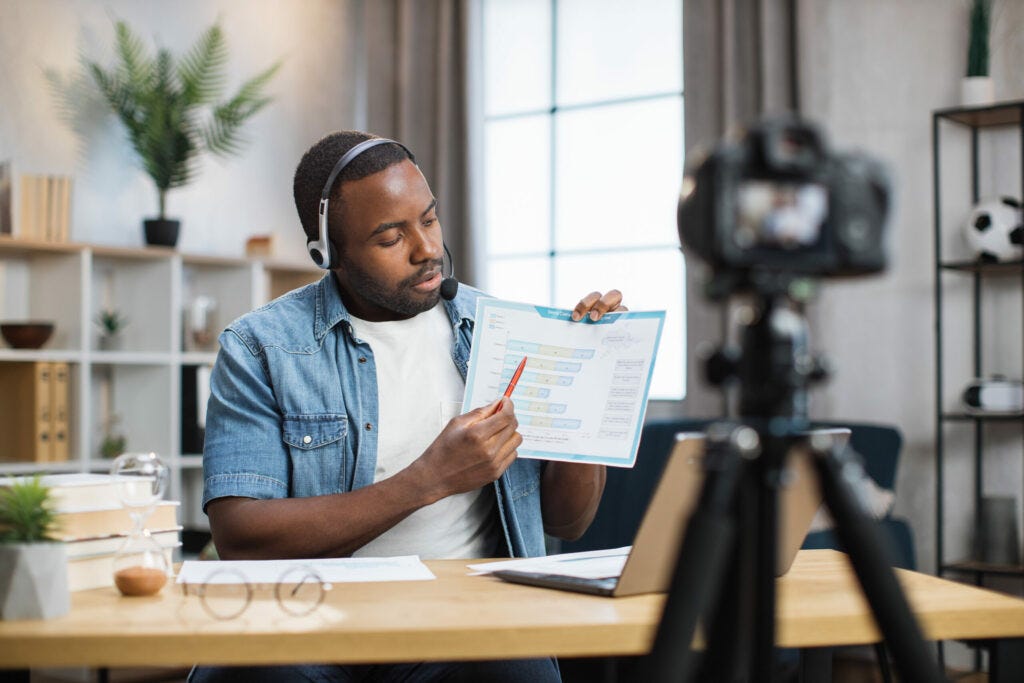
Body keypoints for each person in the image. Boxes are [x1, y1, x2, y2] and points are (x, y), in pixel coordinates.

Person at [190, 131, 624, 682]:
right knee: (246, 673)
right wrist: (428, 480)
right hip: (310, 622)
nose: (426, 249)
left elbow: (570, 520)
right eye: (391, 237)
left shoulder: (503, 331)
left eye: (429, 219)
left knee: (522, 668)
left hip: (465, 623)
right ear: (330, 255)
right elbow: (241, 539)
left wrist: (584, 394)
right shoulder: (261, 346)